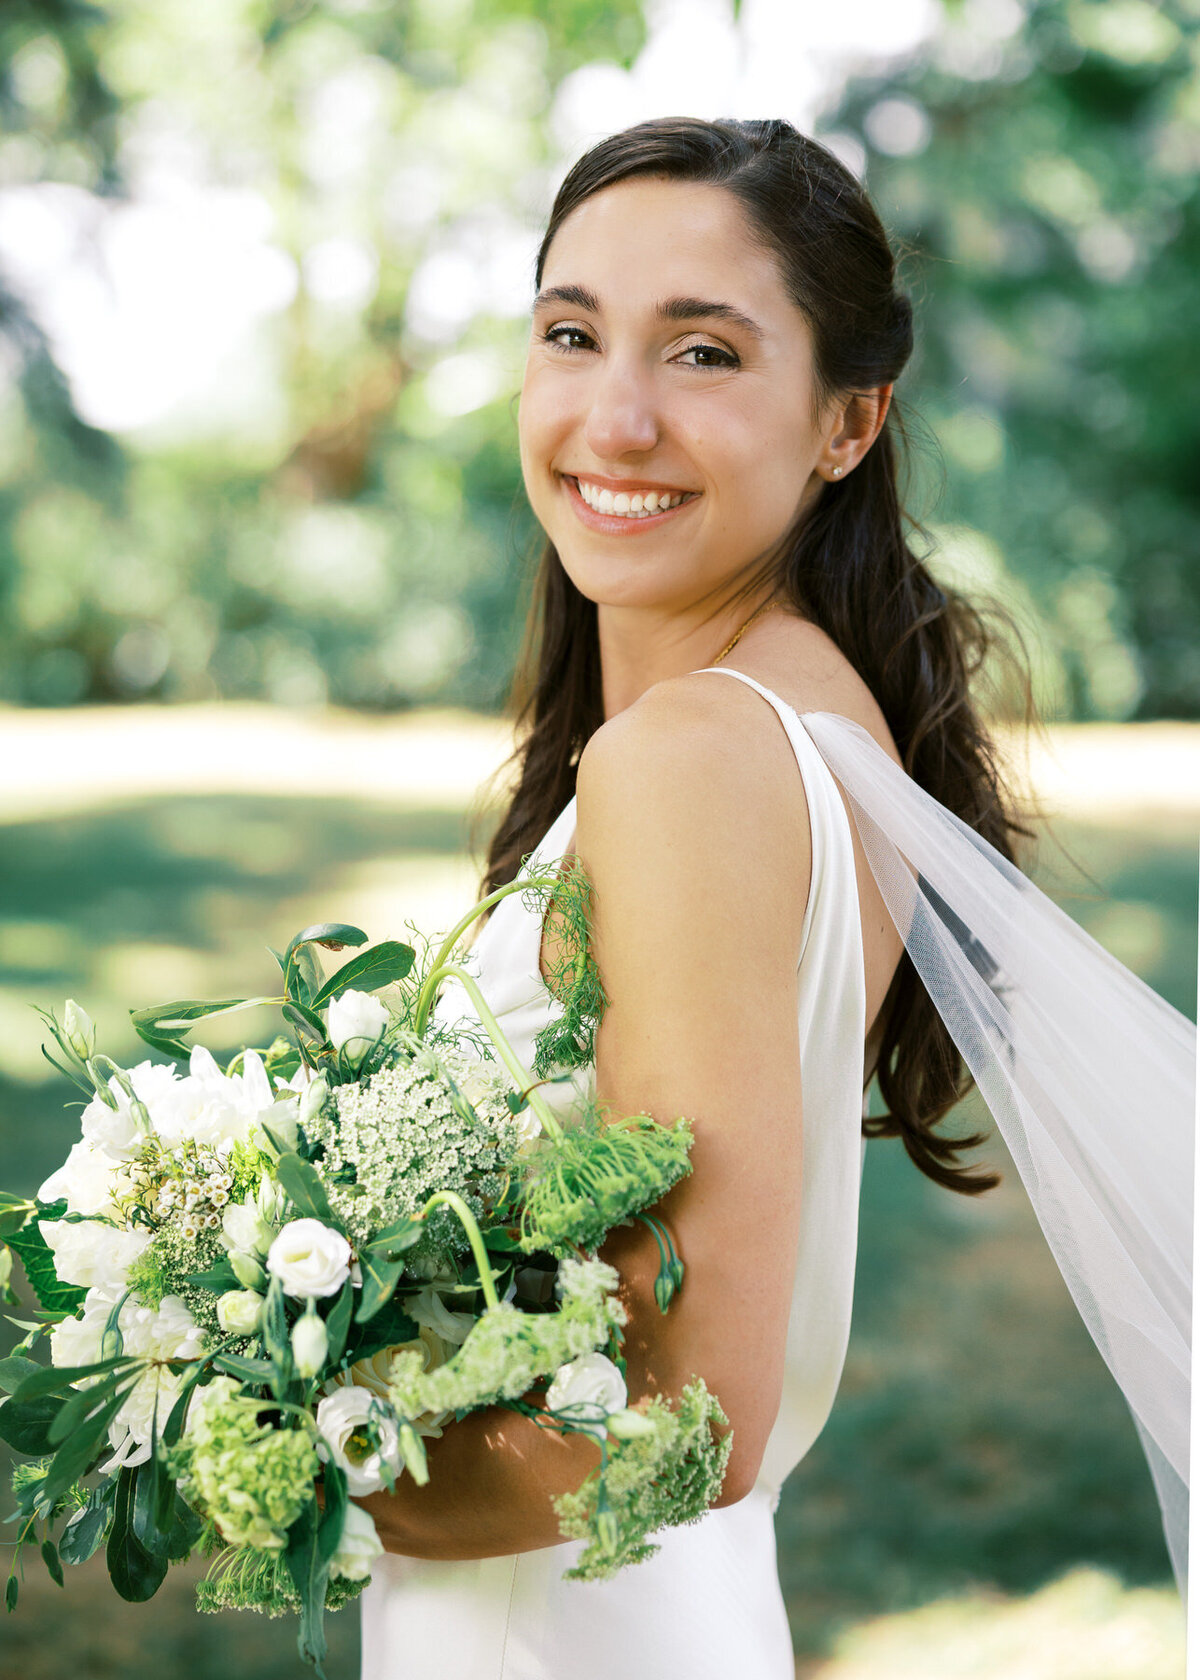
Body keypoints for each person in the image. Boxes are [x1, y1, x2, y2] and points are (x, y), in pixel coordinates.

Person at [355, 117, 1192, 1679]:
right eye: (572, 332)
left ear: (847, 423)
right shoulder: (805, 712)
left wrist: (281, 1453)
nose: (615, 415)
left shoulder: (689, 762)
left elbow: (691, 1416)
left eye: (703, 355)